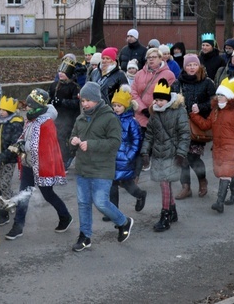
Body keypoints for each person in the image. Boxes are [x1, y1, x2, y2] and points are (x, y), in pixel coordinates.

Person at [69, 82, 134, 251]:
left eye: (88, 100)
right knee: (83, 203)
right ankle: (85, 236)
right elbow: (73, 136)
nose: (85, 104)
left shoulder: (109, 118)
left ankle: (123, 222)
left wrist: (91, 144)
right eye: (83, 100)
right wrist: (73, 141)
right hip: (83, 167)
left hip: (102, 168)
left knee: (100, 202)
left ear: (97, 100)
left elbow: (114, 143)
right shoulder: (80, 118)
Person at [3, 88, 72, 242]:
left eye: (29, 105)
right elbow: (26, 135)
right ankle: (18, 226)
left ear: (38, 106)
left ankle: (65, 216)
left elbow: (41, 146)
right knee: (24, 194)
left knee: (48, 194)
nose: (26, 107)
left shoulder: (46, 123)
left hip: (41, 165)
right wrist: (19, 143)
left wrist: (23, 147)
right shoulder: (31, 118)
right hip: (29, 164)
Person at [189, 78, 234, 213]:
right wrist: (194, 115)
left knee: (225, 173)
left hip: (231, 149)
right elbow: (206, 125)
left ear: (229, 97)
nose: (219, 97)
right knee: (227, 172)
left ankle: (219, 202)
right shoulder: (215, 111)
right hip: (218, 147)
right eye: (218, 94)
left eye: (222, 95)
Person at [140, 79, 189, 232]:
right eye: (156, 99)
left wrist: (181, 153)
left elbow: (185, 134)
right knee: (165, 183)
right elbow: (149, 134)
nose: (158, 102)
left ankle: (165, 216)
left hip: (172, 154)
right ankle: (172, 211)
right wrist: (145, 152)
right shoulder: (154, 112)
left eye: (161, 100)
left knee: (164, 183)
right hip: (158, 153)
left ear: (167, 99)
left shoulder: (178, 111)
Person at [176, 53, 215, 200]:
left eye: (194, 65)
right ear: (184, 67)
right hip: (180, 126)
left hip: (197, 125)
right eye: (188, 65)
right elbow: (171, 99)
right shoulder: (178, 82)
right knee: (181, 158)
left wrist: (201, 107)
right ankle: (186, 187)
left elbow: (214, 102)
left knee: (193, 157)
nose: (192, 68)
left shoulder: (207, 82)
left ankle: (202, 181)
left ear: (199, 66)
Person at [107, 85, 147, 217]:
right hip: (112, 156)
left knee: (126, 183)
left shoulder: (132, 122)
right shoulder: (111, 119)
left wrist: (129, 156)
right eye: (115, 105)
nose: (116, 108)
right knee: (112, 183)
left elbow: (136, 141)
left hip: (125, 158)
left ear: (126, 106)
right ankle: (114, 211)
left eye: (119, 105)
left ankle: (140, 195)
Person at [0, 96, 24, 226]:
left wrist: (2, 157)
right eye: (1, 109)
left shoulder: (15, 123)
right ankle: (14, 201)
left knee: (4, 184)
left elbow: (15, 144)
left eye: (5, 110)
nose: (1, 112)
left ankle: (4, 213)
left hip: (9, 160)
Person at [49, 57, 81, 168]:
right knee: (55, 137)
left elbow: (76, 103)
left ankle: (65, 159)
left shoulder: (74, 87)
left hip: (69, 117)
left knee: (62, 138)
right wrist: (51, 101)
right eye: (60, 72)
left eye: (64, 72)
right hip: (56, 117)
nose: (61, 74)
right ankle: (56, 157)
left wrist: (62, 102)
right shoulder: (54, 85)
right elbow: (50, 98)